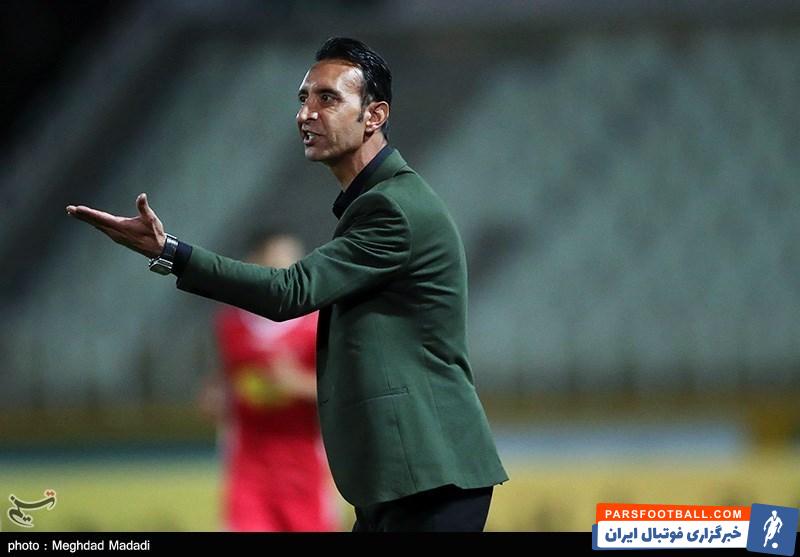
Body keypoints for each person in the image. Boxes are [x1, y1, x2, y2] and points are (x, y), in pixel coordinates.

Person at [66, 36, 509, 532]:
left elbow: (289, 292)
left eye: (327, 98)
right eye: (303, 98)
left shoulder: (392, 208)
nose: (305, 114)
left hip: (430, 473)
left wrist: (170, 251)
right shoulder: (382, 201)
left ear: (374, 115)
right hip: (405, 474)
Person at [198, 231, 337, 532]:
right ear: (254, 266)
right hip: (249, 472)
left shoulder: (318, 325)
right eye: (277, 266)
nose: (287, 276)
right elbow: (221, 383)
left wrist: (298, 384)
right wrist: (215, 399)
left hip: (305, 473)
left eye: (293, 266)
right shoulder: (230, 326)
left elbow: (342, 393)